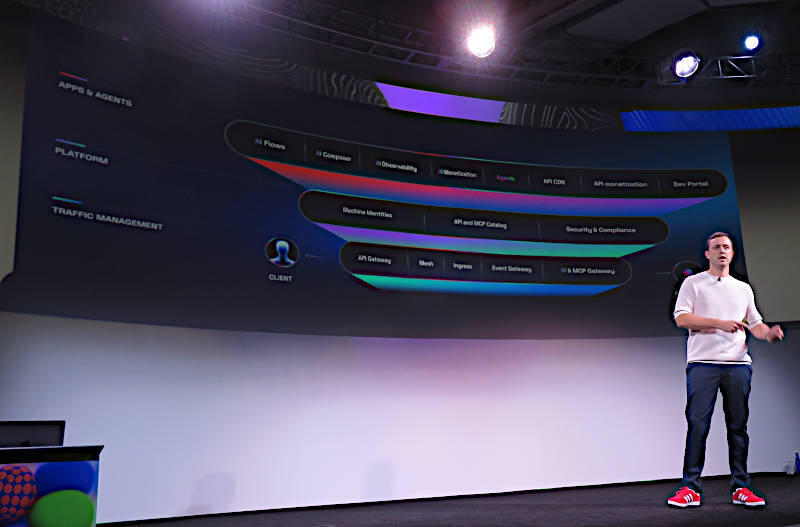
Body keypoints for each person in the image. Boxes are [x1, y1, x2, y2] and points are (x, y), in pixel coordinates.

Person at [667, 232, 783, 508]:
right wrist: (719, 323)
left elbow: (755, 324)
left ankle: (741, 487)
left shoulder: (743, 289)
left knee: (738, 427)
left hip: (737, 365)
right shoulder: (693, 283)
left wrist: (768, 334)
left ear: (732, 254)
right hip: (703, 364)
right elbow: (681, 318)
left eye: (726, 247)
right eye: (716, 247)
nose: (722, 250)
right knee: (698, 425)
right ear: (708, 254)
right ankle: (690, 488)